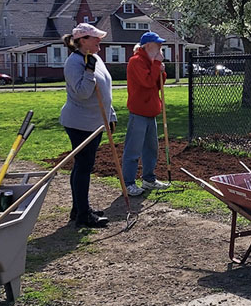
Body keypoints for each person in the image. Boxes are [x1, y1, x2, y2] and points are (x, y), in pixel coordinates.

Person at [59, 23, 113, 228]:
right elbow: (82, 93)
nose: (99, 41)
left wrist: (111, 116)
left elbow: (106, 88)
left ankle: (78, 208)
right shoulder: (74, 62)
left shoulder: (96, 58)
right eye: (95, 38)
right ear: (82, 41)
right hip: (80, 123)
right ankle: (83, 214)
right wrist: (89, 71)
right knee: (83, 167)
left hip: (96, 121)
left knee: (83, 166)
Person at [121, 31, 170, 196]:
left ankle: (149, 179)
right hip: (139, 112)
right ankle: (128, 183)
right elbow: (147, 82)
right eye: (158, 45)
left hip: (151, 111)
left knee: (151, 148)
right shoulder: (136, 62)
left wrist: (161, 70)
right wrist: (157, 65)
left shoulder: (151, 61)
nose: (161, 48)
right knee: (133, 149)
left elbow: (158, 84)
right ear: (148, 46)